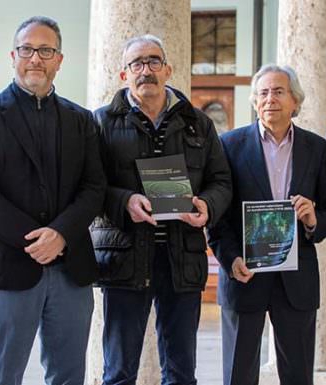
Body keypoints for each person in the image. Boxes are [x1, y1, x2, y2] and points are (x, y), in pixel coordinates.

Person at [0, 16, 106, 385]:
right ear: (13, 56)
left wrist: (59, 234)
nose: (35, 58)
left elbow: (94, 187)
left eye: (45, 50)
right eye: (27, 49)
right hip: (5, 268)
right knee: (3, 377)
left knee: (69, 376)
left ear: (59, 59)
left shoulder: (82, 120)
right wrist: (36, 239)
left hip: (70, 269)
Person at [91, 35, 232, 385]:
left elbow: (221, 181)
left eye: (154, 62)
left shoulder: (198, 123)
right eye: (136, 64)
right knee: (119, 371)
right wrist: (125, 201)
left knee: (182, 372)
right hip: (124, 257)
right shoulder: (101, 122)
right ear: (124, 74)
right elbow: (90, 187)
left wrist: (206, 206)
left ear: (168, 69)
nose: (146, 71)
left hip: (181, 256)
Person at [207, 64, 326, 385]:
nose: (270, 99)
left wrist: (313, 219)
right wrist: (230, 259)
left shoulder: (317, 149)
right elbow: (217, 216)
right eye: (263, 93)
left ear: (295, 101)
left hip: (297, 281)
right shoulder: (229, 146)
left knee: (297, 376)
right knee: (238, 375)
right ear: (254, 102)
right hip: (244, 275)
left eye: (279, 91)